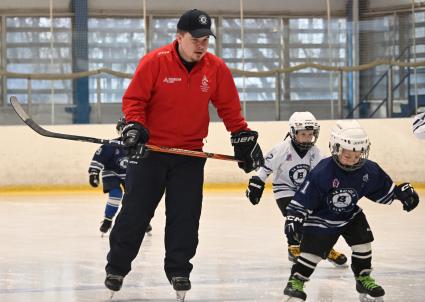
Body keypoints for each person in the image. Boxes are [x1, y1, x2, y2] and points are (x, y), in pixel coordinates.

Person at [104, 8, 264, 301]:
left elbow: (229, 109)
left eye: (206, 39)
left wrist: (241, 137)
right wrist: (135, 127)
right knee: (135, 214)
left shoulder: (215, 68)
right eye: (196, 38)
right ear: (179, 37)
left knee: (185, 217)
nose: (202, 45)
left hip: (190, 155)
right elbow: (134, 100)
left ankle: (179, 270)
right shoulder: (155, 62)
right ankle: (117, 267)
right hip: (151, 153)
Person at [282, 120, 419, 302]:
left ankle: (363, 278)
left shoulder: (369, 169)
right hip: (321, 218)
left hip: (349, 215)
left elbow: (383, 190)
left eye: (357, 156)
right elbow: (303, 198)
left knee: (363, 243)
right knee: (311, 254)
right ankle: (296, 281)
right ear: (336, 149)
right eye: (348, 156)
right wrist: (294, 217)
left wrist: (400, 194)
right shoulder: (322, 172)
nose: (353, 161)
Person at [246, 112, 347, 267]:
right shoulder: (281, 149)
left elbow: (322, 173)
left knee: (319, 220)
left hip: (305, 191)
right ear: (294, 133)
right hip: (284, 189)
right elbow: (265, 168)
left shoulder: (315, 152)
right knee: (295, 215)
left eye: (310, 134)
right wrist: (257, 182)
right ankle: (293, 247)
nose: (307, 137)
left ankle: (326, 248)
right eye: (303, 134)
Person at [88, 117, 152, 236]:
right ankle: (108, 220)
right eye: (124, 128)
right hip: (111, 173)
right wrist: (94, 172)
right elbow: (99, 157)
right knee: (116, 195)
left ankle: (142, 220)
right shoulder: (111, 145)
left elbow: (148, 162)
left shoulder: (140, 147)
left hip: (130, 174)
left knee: (136, 198)